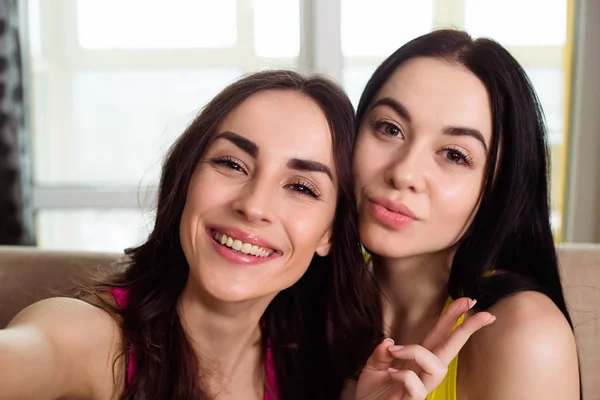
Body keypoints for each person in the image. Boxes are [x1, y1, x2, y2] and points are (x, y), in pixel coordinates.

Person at [0, 70, 488, 400]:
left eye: (301, 186)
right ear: (187, 179)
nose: (253, 205)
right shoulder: (90, 337)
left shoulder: (317, 367)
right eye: (232, 164)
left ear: (329, 236)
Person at [350, 29, 580, 399]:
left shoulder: (526, 334)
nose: (404, 173)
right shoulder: (306, 294)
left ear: (497, 190)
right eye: (390, 128)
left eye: (454, 155)